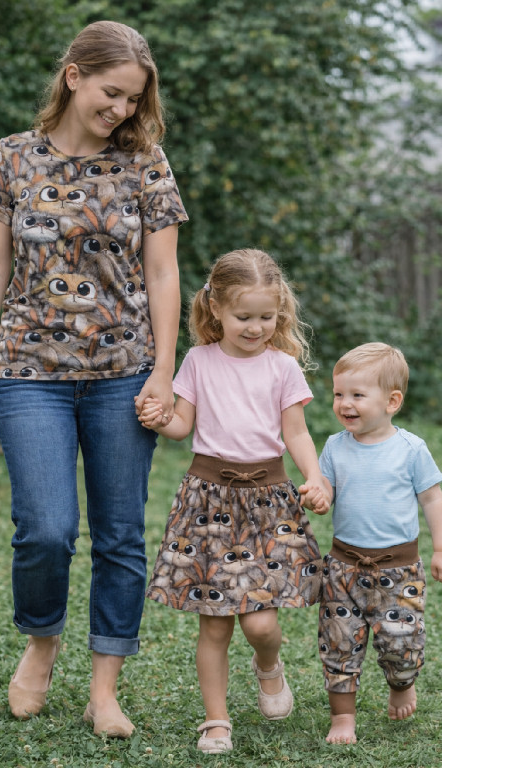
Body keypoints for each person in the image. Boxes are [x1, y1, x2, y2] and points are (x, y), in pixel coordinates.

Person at [0, 20, 189, 739]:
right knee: (46, 529)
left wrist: (164, 370)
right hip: (29, 370)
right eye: (111, 92)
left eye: (133, 99)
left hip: (124, 374)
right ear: (73, 76)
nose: (121, 109)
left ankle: (104, 688)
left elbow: (163, 272)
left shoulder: (145, 163)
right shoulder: (12, 157)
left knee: (120, 536)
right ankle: (41, 643)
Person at [136, 248, 332, 755]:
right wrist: (161, 418)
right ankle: (216, 720)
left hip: (269, 503)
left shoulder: (283, 367)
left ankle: (268, 665)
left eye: (266, 317)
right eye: (244, 316)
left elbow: (296, 432)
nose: (255, 327)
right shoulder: (199, 361)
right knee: (215, 623)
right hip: (208, 504)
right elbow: (182, 425)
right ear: (217, 308)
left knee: (261, 623)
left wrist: (314, 477)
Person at [314, 342, 442, 744]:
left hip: (398, 571)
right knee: (338, 644)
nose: (344, 403)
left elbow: (433, 499)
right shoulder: (335, 447)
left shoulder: (411, 450)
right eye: (339, 394)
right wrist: (319, 496)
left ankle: (402, 684)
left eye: (357, 395)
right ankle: (342, 718)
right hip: (343, 569)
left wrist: (442, 548)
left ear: (392, 401)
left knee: (401, 645)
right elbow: (328, 490)